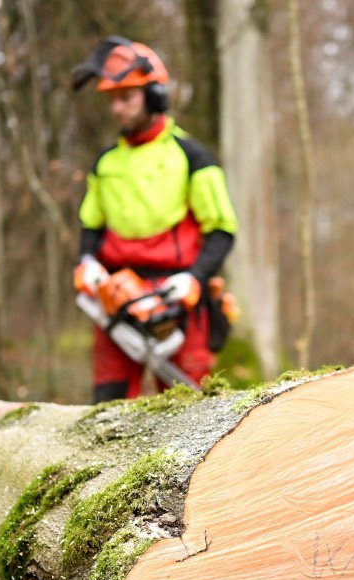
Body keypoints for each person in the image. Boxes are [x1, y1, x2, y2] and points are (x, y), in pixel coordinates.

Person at [71, 37, 239, 401]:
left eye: (126, 97)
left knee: (190, 403)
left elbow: (222, 229)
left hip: (176, 299)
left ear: (154, 95)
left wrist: (195, 278)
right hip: (117, 296)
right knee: (108, 404)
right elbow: (91, 225)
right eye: (112, 99)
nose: (117, 108)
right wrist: (87, 262)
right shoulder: (105, 163)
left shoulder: (193, 157)